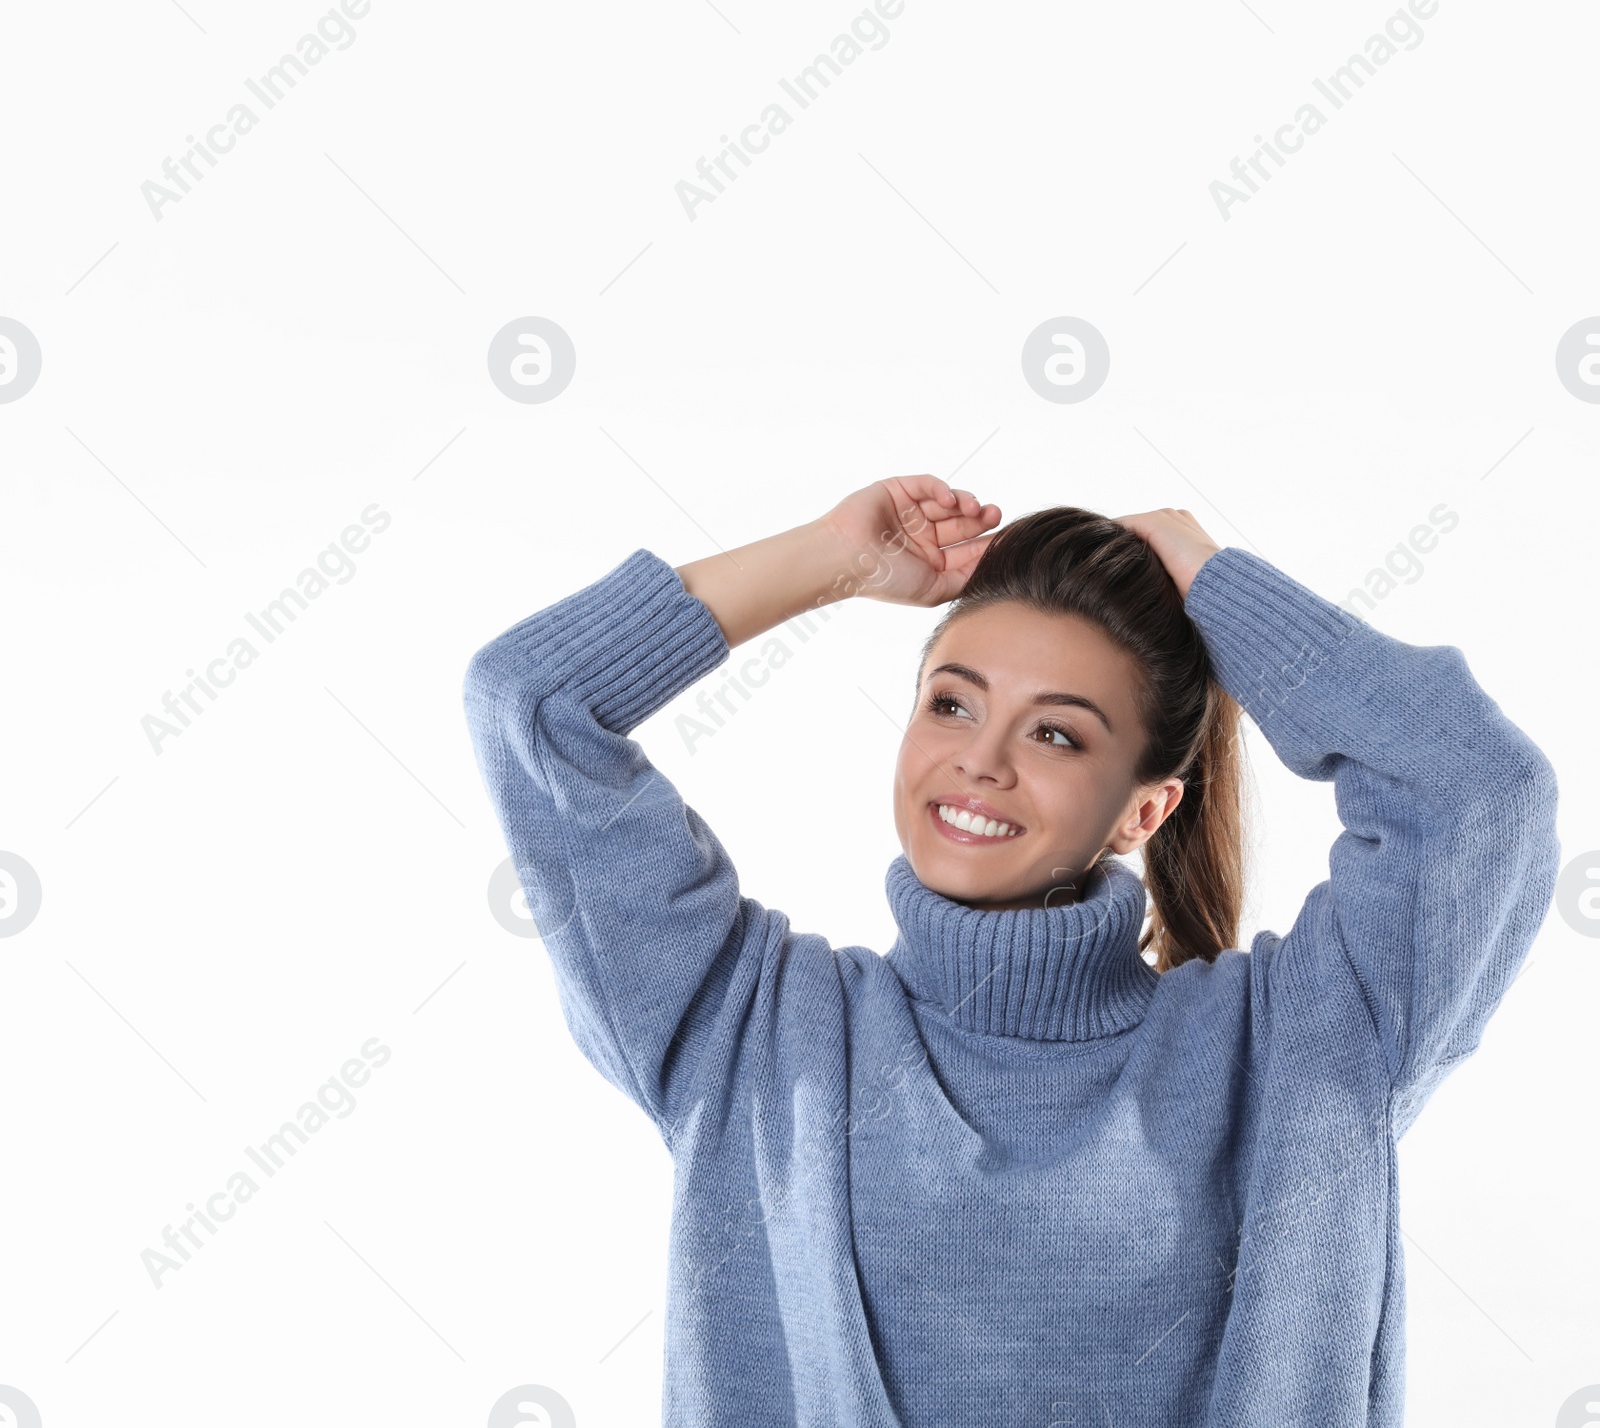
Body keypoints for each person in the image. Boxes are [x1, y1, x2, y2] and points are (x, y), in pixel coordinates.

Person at [461, 474, 1560, 1427]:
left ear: (1145, 809)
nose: (978, 760)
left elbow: (1476, 787)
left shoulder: (1300, 1044)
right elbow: (535, 697)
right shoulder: (745, 1027)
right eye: (951, 702)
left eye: (1056, 732)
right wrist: (832, 561)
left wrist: (1214, 582)